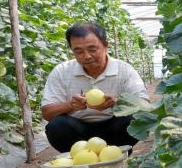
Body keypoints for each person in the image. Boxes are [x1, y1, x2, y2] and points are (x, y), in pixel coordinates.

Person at [41, 22, 150, 153]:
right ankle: (80, 156)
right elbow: (47, 113)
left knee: (132, 120)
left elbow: (145, 106)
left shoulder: (125, 70)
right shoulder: (61, 71)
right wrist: (70, 105)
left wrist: (117, 103)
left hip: (114, 130)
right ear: (71, 50)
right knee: (56, 126)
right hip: (78, 133)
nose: (86, 56)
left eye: (92, 49)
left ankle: (117, 154)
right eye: (78, 51)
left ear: (106, 45)